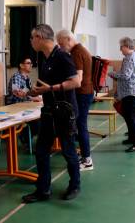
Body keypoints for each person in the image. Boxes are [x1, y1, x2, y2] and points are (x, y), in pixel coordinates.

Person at [22, 24, 81, 203]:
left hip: (64, 112)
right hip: (49, 112)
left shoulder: (62, 56)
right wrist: (37, 91)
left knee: (68, 151)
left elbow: (76, 82)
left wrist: (50, 88)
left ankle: (75, 185)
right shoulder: (45, 59)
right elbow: (46, 88)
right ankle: (43, 189)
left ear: (40, 37)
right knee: (41, 151)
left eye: (33, 38)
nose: (31, 41)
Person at [56, 29, 94, 171]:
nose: (60, 47)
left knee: (81, 125)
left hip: (82, 93)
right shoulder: (81, 50)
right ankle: (85, 156)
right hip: (86, 92)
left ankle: (87, 160)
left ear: (68, 39)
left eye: (61, 43)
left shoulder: (77, 53)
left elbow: (78, 79)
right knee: (80, 125)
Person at [109, 37, 135, 152]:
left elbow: (125, 76)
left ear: (127, 46)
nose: (120, 49)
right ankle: (132, 138)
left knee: (131, 118)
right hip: (129, 92)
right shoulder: (130, 57)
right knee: (129, 117)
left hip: (131, 92)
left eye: (121, 47)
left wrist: (112, 74)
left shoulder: (130, 58)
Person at [6, 56, 41, 151]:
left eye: (31, 63)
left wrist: (36, 93)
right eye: (28, 63)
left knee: (41, 119)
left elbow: (27, 92)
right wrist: (33, 98)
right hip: (15, 107)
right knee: (36, 122)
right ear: (21, 65)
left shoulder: (27, 78)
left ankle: (26, 138)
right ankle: (25, 139)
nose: (31, 65)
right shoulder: (16, 77)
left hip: (25, 105)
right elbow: (17, 93)